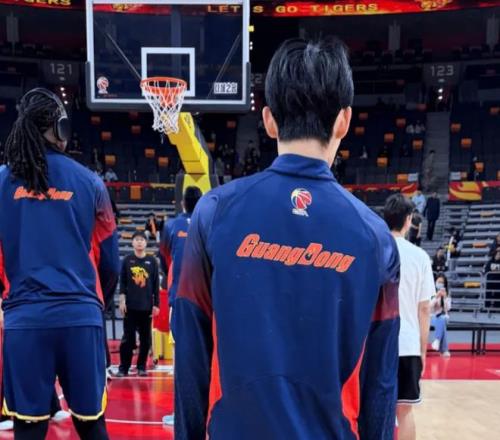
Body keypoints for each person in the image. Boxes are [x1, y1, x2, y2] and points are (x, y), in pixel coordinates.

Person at [174, 37, 401, 440]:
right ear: (344, 121)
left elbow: (190, 352)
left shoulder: (213, 213)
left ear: (269, 120)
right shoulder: (376, 237)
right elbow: (380, 382)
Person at [0, 88, 119, 439]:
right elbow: (111, 263)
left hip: (25, 320)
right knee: (92, 426)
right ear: (60, 128)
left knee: (28, 427)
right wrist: (94, 304)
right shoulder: (91, 182)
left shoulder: (2, 181)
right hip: (80, 318)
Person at [383, 194, 433, 440]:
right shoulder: (420, 256)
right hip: (408, 344)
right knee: (405, 411)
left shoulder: (374, 252)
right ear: (408, 219)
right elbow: (424, 309)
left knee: (372, 407)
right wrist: (423, 350)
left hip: (378, 342)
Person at [159, 186, 202, 426]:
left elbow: (166, 258)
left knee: (182, 359)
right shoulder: (210, 222)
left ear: (183, 203)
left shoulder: (171, 225)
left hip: (181, 298)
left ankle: (181, 416)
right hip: (206, 299)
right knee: (207, 356)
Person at [116, 231, 160, 377]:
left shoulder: (152, 261)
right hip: (130, 307)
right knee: (128, 339)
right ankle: (123, 368)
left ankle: (141, 367)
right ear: (132, 243)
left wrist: (156, 304)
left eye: (142, 240)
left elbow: (155, 285)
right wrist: (122, 301)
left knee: (145, 340)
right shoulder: (127, 260)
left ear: (146, 243)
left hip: (146, 307)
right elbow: (122, 283)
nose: (139, 242)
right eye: (137, 239)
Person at [430, 273, 451, 357]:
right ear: (435, 282)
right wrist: (436, 297)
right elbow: (429, 307)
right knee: (442, 323)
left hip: (444, 317)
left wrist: (445, 298)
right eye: (439, 281)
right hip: (432, 317)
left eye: (442, 282)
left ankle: (437, 340)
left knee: (442, 318)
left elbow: (448, 309)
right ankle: (444, 350)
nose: (440, 284)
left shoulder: (447, 293)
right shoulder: (431, 292)